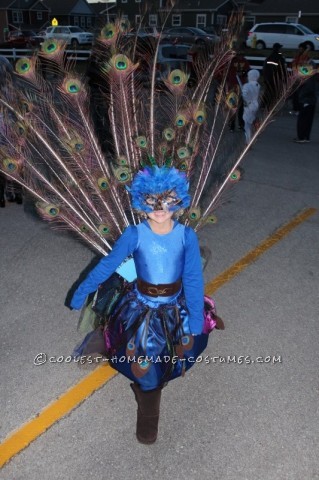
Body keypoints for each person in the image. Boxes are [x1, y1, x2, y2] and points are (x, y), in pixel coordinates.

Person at [70, 166, 223, 445]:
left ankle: (153, 383)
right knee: (145, 364)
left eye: (167, 200)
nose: (160, 208)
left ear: (179, 200)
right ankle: (149, 409)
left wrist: (196, 316)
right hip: (139, 309)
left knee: (173, 355)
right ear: (141, 202)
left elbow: (192, 277)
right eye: (152, 201)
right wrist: (83, 291)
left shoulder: (186, 236)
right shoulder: (134, 234)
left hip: (176, 308)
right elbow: (108, 265)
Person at [227, 50, 250, 132]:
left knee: (241, 107)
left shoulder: (245, 61)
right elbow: (226, 73)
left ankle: (241, 124)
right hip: (232, 87)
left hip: (241, 86)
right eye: (239, 54)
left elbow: (247, 72)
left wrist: (242, 73)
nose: (241, 56)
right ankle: (231, 125)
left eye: (242, 54)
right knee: (233, 107)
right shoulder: (232, 61)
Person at [294, 64, 318, 143]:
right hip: (311, 101)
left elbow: (307, 90)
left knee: (302, 120)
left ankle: (301, 137)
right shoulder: (313, 78)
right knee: (308, 120)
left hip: (306, 101)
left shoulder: (308, 80)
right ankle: (306, 137)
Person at [262, 43, 287, 110]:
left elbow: (265, 68)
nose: (281, 50)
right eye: (280, 48)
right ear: (278, 49)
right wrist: (284, 78)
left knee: (267, 92)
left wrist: (265, 77)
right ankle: (269, 107)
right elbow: (282, 69)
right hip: (275, 79)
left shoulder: (270, 56)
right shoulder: (279, 58)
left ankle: (263, 105)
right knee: (273, 93)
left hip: (268, 78)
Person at [290, 42, 312, 115]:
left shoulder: (306, 58)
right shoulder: (297, 56)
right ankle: (295, 108)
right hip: (296, 77)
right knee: (295, 94)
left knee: (300, 94)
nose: (300, 50)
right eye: (300, 48)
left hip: (301, 78)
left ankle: (299, 109)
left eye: (301, 49)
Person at [242, 69, 261, 144]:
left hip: (249, 105)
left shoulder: (247, 85)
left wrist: (245, 98)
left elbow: (244, 95)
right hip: (255, 104)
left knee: (247, 124)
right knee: (251, 120)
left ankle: (248, 141)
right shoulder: (258, 85)